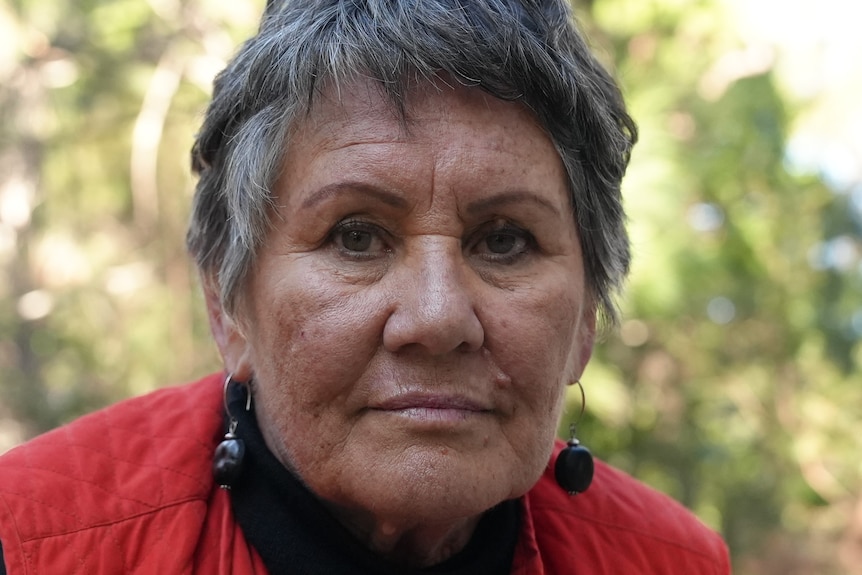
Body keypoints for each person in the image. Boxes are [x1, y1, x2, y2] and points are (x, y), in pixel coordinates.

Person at [0, 0, 731, 573]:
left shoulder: (673, 563)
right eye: (356, 235)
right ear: (230, 302)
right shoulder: (34, 541)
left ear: (586, 323)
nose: (438, 317)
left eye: (504, 240)